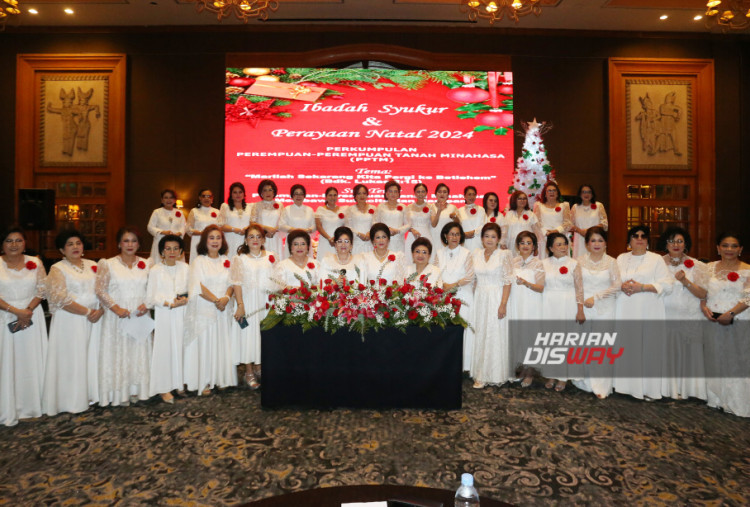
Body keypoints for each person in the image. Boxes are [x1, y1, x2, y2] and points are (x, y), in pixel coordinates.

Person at [43, 229, 103, 416]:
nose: (75, 247)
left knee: (92, 357)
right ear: (62, 250)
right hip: (71, 320)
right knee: (73, 359)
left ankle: (92, 394)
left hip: (95, 318)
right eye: (70, 244)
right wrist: (87, 312)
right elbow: (60, 298)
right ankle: (71, 400)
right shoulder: (57, 269)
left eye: (78, 243)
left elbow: (104, 290)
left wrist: (100, 310)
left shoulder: (94, 265)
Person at [614, 225, 673, 400]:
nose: (639, 239)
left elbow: (667, 285)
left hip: (648, 307)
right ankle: (626, 386)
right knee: (628, 344)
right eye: (635, 236)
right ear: (629, 240)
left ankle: (649, 389)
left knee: (648, 346)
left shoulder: (656, 259)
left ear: (647, 241)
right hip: (625, 307)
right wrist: (622, 286)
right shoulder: (621, 258)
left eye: (643, 236)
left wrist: (642, 287)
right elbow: (614, 281)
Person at [95, 226, 151, 407]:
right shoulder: (107, 263)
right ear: (119, 243)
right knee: (119, 353)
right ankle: (119, 394)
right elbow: (100, 290)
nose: (130, 244)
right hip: (117, 317)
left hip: (139, 315)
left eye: (134, 241)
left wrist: (147, 304)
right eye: (126, 240)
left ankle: (137, 391)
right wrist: (115, 308)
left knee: (138, 352)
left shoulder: (147, 263)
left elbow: (153, 289)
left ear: (139, 244)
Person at [0, 227, 47, 426]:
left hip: (32, 318)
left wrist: (27, 310)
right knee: (8, 362)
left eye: (18, 240)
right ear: (2, 244)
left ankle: (34, 405)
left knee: (31, 360)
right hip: (4, 318)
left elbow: (43, 289)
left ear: (24, 243)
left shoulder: (34, 263)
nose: (14, 245)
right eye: (9, 241)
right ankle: (9, 407)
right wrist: (15, 311)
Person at [701, 232, 749, 417]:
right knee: (715, 357)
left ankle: (737, 402)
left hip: (738, 319)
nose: (729, 249)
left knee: (737, 359)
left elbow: (748, 297)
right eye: (725, 245)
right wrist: (704, 307)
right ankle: (717, 399)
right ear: (718, 248)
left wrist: (731, 314)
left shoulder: (747, 270)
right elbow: (703, 293)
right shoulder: (709, 268)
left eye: (734, 246)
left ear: (740, 249)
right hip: (713, 320)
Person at [184, 225, 236, 395]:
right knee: (206, 343)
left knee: (221, 342)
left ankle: (220, 378)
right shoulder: (199, 261)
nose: (215, 241)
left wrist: (226, 298)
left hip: (223, 308)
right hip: (205, 308)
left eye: (218, 238)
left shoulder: (226, 260)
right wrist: (216, 300)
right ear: (205, 241)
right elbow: (198, 286)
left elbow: (232, 283)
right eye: (211, 238)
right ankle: (204, 381)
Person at [658, 226, 708, 400]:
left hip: (689, 316)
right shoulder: (657, 263)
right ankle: (667, 389)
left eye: (680, 241)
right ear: (666, 244)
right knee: (667, 350)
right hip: (665, 316)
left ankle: (690, 390)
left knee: (688, 350)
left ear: (686, 244)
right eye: (671, 241)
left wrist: (685, 281)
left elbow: (703, 294)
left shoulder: (697, 265)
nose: (676, 244)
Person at [571, 227, 621, 399]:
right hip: (584, 308)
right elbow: (577, 286)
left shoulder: (612, 262)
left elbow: (617, 286)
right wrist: (579, 308)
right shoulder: (579, 261)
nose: (597, 244)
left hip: (605, 308)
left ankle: (601, 385)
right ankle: (584, 381)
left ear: (606, 243)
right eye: (593, 240)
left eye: (600, 240)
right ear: (586, 244)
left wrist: (597, 297)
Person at [231, 223, 278, 390]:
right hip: (249, 302)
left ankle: (261, 367)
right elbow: (236, 283)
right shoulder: (239, 259)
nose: (255, 240)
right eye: (251, 236)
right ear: (245, 240)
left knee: (264, 337)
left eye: (258, 236)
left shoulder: (272, 256)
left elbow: (277, 280)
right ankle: (249, 371)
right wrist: (240, 305)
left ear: (264, 239)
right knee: (249, 337)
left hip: (266, 303)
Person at [146, 235, 189, 404]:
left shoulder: (186, 267)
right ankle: (163, 387)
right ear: (162, 251)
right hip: (165, 313)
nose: (172, 252)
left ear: (180, 251)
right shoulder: (156, 270)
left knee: (181, 347)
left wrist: (186, 299)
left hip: (183, 313)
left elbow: (191, 289)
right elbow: (150, 298)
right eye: (168, 248)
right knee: (165, 349)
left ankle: (179, 383)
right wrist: (169, 303)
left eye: (175, 248)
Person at [470, 223, 513, 389]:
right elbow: (474, 280)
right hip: (480, 297)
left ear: (498, 239)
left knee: (494, 333)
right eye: (486, 236)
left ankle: (495, 374)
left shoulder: (504, 255)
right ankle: (480, 373)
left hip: (496, 296)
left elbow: (508, 281)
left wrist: (503, 304)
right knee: (481, 333)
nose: (489, 239)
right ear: (481, 238)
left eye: (493, 236)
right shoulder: (476, 254)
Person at [541, 232, 585, 392]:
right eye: (558, 244)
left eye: (565, 244)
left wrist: (580, 309)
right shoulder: (544, 263)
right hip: (549, 303)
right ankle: (551, 374)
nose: (563, 247)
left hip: (567, 304)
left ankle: (563, 376)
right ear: (551, 248)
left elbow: (580, 289)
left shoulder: (574, 263)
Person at [435, 222, 475, 371]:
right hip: (444, 297)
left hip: (463, 295)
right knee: (446, 331)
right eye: (451, 234)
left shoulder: (467, 253)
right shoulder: (439, 253)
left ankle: (465, 366)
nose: (454, 237)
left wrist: (454, 285)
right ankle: (446, 365)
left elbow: (470, 276)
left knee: (463, 329)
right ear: (445, 236)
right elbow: (435, 272)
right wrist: (443, 285)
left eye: (457, 234)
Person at [509, 231, 545, 388]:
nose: (525, 246)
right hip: (515, 302)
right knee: (518, 335)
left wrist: (526, 283)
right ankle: (522, 370)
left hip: (531, 303)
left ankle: (530, 372)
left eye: (529, 243)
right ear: (517, 245)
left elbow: (540, 287)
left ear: (534, 247)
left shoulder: (538, 263)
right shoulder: (513, 261)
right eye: (522, 243)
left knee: (530, 335)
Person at [533, 181, 572, 259]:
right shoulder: (538, 205)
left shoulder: (564, 205)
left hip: (560, 238)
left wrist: (556, 231)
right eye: (549, 190)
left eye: (554, 190)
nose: (552, 192)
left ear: (557, 193)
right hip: (544, 238)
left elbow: (568, 223)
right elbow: (536, 223)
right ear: (545, 193)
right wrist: (546, 232)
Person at [146, 189, 187, 264]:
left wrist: (179, 233)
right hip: (160, 241)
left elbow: (184, 226)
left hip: (175, 242)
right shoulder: (157, 212)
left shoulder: (179, 212)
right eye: (166, 197)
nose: (169, 200)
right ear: (162, 200)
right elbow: (150, 227)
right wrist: (162, 232)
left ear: (174, 200)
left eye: (171, 197)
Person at [570, 184, 608, 259]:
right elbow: (569, 224)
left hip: (595, 238)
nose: (586, 194)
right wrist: (580, 231)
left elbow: (605, 224)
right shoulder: (575, 207)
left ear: (592, 194)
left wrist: (590, 231)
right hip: (580, 239)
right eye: (584, 192)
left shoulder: (599, 205)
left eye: (589, 192)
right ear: (580, 194)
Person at [278, 184, 315, 260]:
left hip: (305, 240)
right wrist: (295, 231)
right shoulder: (287, 209)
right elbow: (281, 225)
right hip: (291, 240)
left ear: (304, 196)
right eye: (296, 194)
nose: (299, 196)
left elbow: (315, 226)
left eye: (301, 194)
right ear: (292, 196)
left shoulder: (310, 210)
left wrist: (307, 230)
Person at [502, 190, 541, 257]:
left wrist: (536, 247)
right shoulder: (509, 214)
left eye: (524, 198)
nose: (522, 200)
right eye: (519, 198)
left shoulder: (531, 214)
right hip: (511, 245)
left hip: (526, 246)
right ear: (514, 200)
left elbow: (537, 233)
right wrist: (503, 243)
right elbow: (504, 231)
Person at [220, 182, 253, 259]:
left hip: (246, 239)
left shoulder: (250, 207)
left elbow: (253, 223)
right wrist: (234, 229)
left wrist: (246, 229)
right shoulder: (225, 207)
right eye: (235, 192)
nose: (238, 194)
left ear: (244, 194)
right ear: (231, 194)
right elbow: (220, 225)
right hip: (230, 239)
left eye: (240, 192)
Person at [375, 180, 409, 254]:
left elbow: (408, 224)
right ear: (386, 194)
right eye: (390, 191)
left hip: (398, 240)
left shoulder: (403, 207)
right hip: (383, 240)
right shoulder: (380, 207)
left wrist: (397, 230)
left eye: (395, 191)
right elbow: (375, 223)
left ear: (399, 194)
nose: (393, 194)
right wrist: (383, 232)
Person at [187, 189, 221, 262]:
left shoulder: (217, 212)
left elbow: (220, 228)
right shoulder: (194, 211)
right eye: (204, 196)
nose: (206, 198)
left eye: (209, 196)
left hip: (213, 242)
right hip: (198, 241)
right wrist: (201, 233)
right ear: (200, 198)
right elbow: (189, 229)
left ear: (212, 198)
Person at [253, 179, 284, 259]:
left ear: (274, 192)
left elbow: (283, 222)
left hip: (276, 237)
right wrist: (266, 228)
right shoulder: (257, 205)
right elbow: (252, 222)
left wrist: (274, 229)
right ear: (261, 193)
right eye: (265, 190)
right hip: (262, 237)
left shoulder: (280, 205)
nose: (268, 193)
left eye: (270, 190)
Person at [315, 187, 346, 260]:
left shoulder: (343, 210)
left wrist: (337, 239)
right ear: (326, 197)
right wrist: (329, 238)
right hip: (325, 241)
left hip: (339, 241)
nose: (333, 197)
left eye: (335, 195)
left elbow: (344, 226)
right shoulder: (320, 209)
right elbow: (319, 227)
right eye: (330, 195)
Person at [346, 184, 376, 255]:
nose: (362, 196)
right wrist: (359, 234)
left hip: (369, 241)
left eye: (364, 193)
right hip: (356, 241)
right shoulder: (350, 209)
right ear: (355, 196)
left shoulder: (373, 208)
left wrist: (370, 233)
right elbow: (348, 226)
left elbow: (375, 223)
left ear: (367, 195)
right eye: (359, 193)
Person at [405, 183, 435, 255]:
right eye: (418, 192)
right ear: (414, 193)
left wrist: (439, 211)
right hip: (412, 235)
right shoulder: (409, 207)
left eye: (423, 191)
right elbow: (405, 225)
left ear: (426, 193)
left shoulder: (430, 207)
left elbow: (434, 224)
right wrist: (412, 230)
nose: (420, 194)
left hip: (425, 234)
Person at [457, 185, 486, 252]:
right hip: (465, 242)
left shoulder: (481, 209)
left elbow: (484, 224)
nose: (472, 197)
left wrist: (474, 232)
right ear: (464, 196)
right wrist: (463, 234)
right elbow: (458, 227)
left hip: (478, 241)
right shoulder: (459, 210)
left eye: (474, 194)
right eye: (469, 194)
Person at [431, 183, 458, 254]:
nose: (442, 194)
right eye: (439, 192)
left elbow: (458, 224)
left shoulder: (453, 207)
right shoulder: (431, 207)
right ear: (435, 194)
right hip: (433, 239)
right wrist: (439, 210)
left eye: (445, 192)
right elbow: (433, 224)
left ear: (448, 195)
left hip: (448, 240)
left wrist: (455, 217)